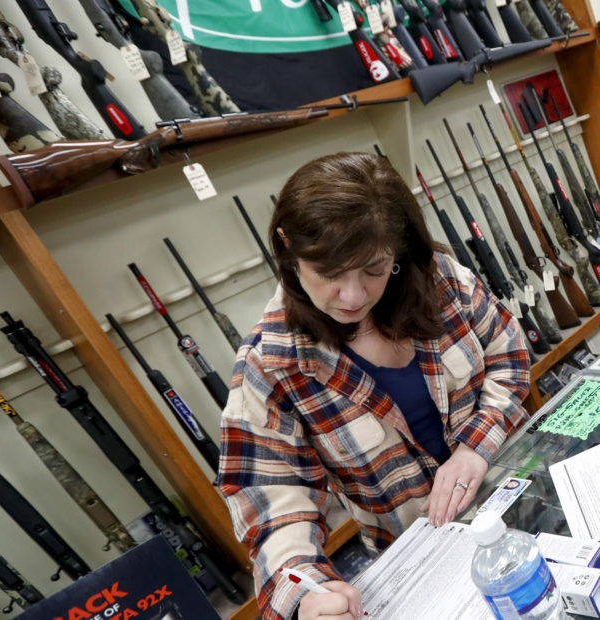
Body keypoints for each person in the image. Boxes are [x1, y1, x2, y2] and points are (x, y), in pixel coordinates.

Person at [217, 152, 531, 620]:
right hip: (422, 563)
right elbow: (271, 505)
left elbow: (509, 355)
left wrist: (474, 447)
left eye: (374, 270)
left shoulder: (440, 281)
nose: (353, 296)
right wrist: (308, 596)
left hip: (523, 494)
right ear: (286, 245)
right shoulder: (271, 363)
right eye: (329, 274)